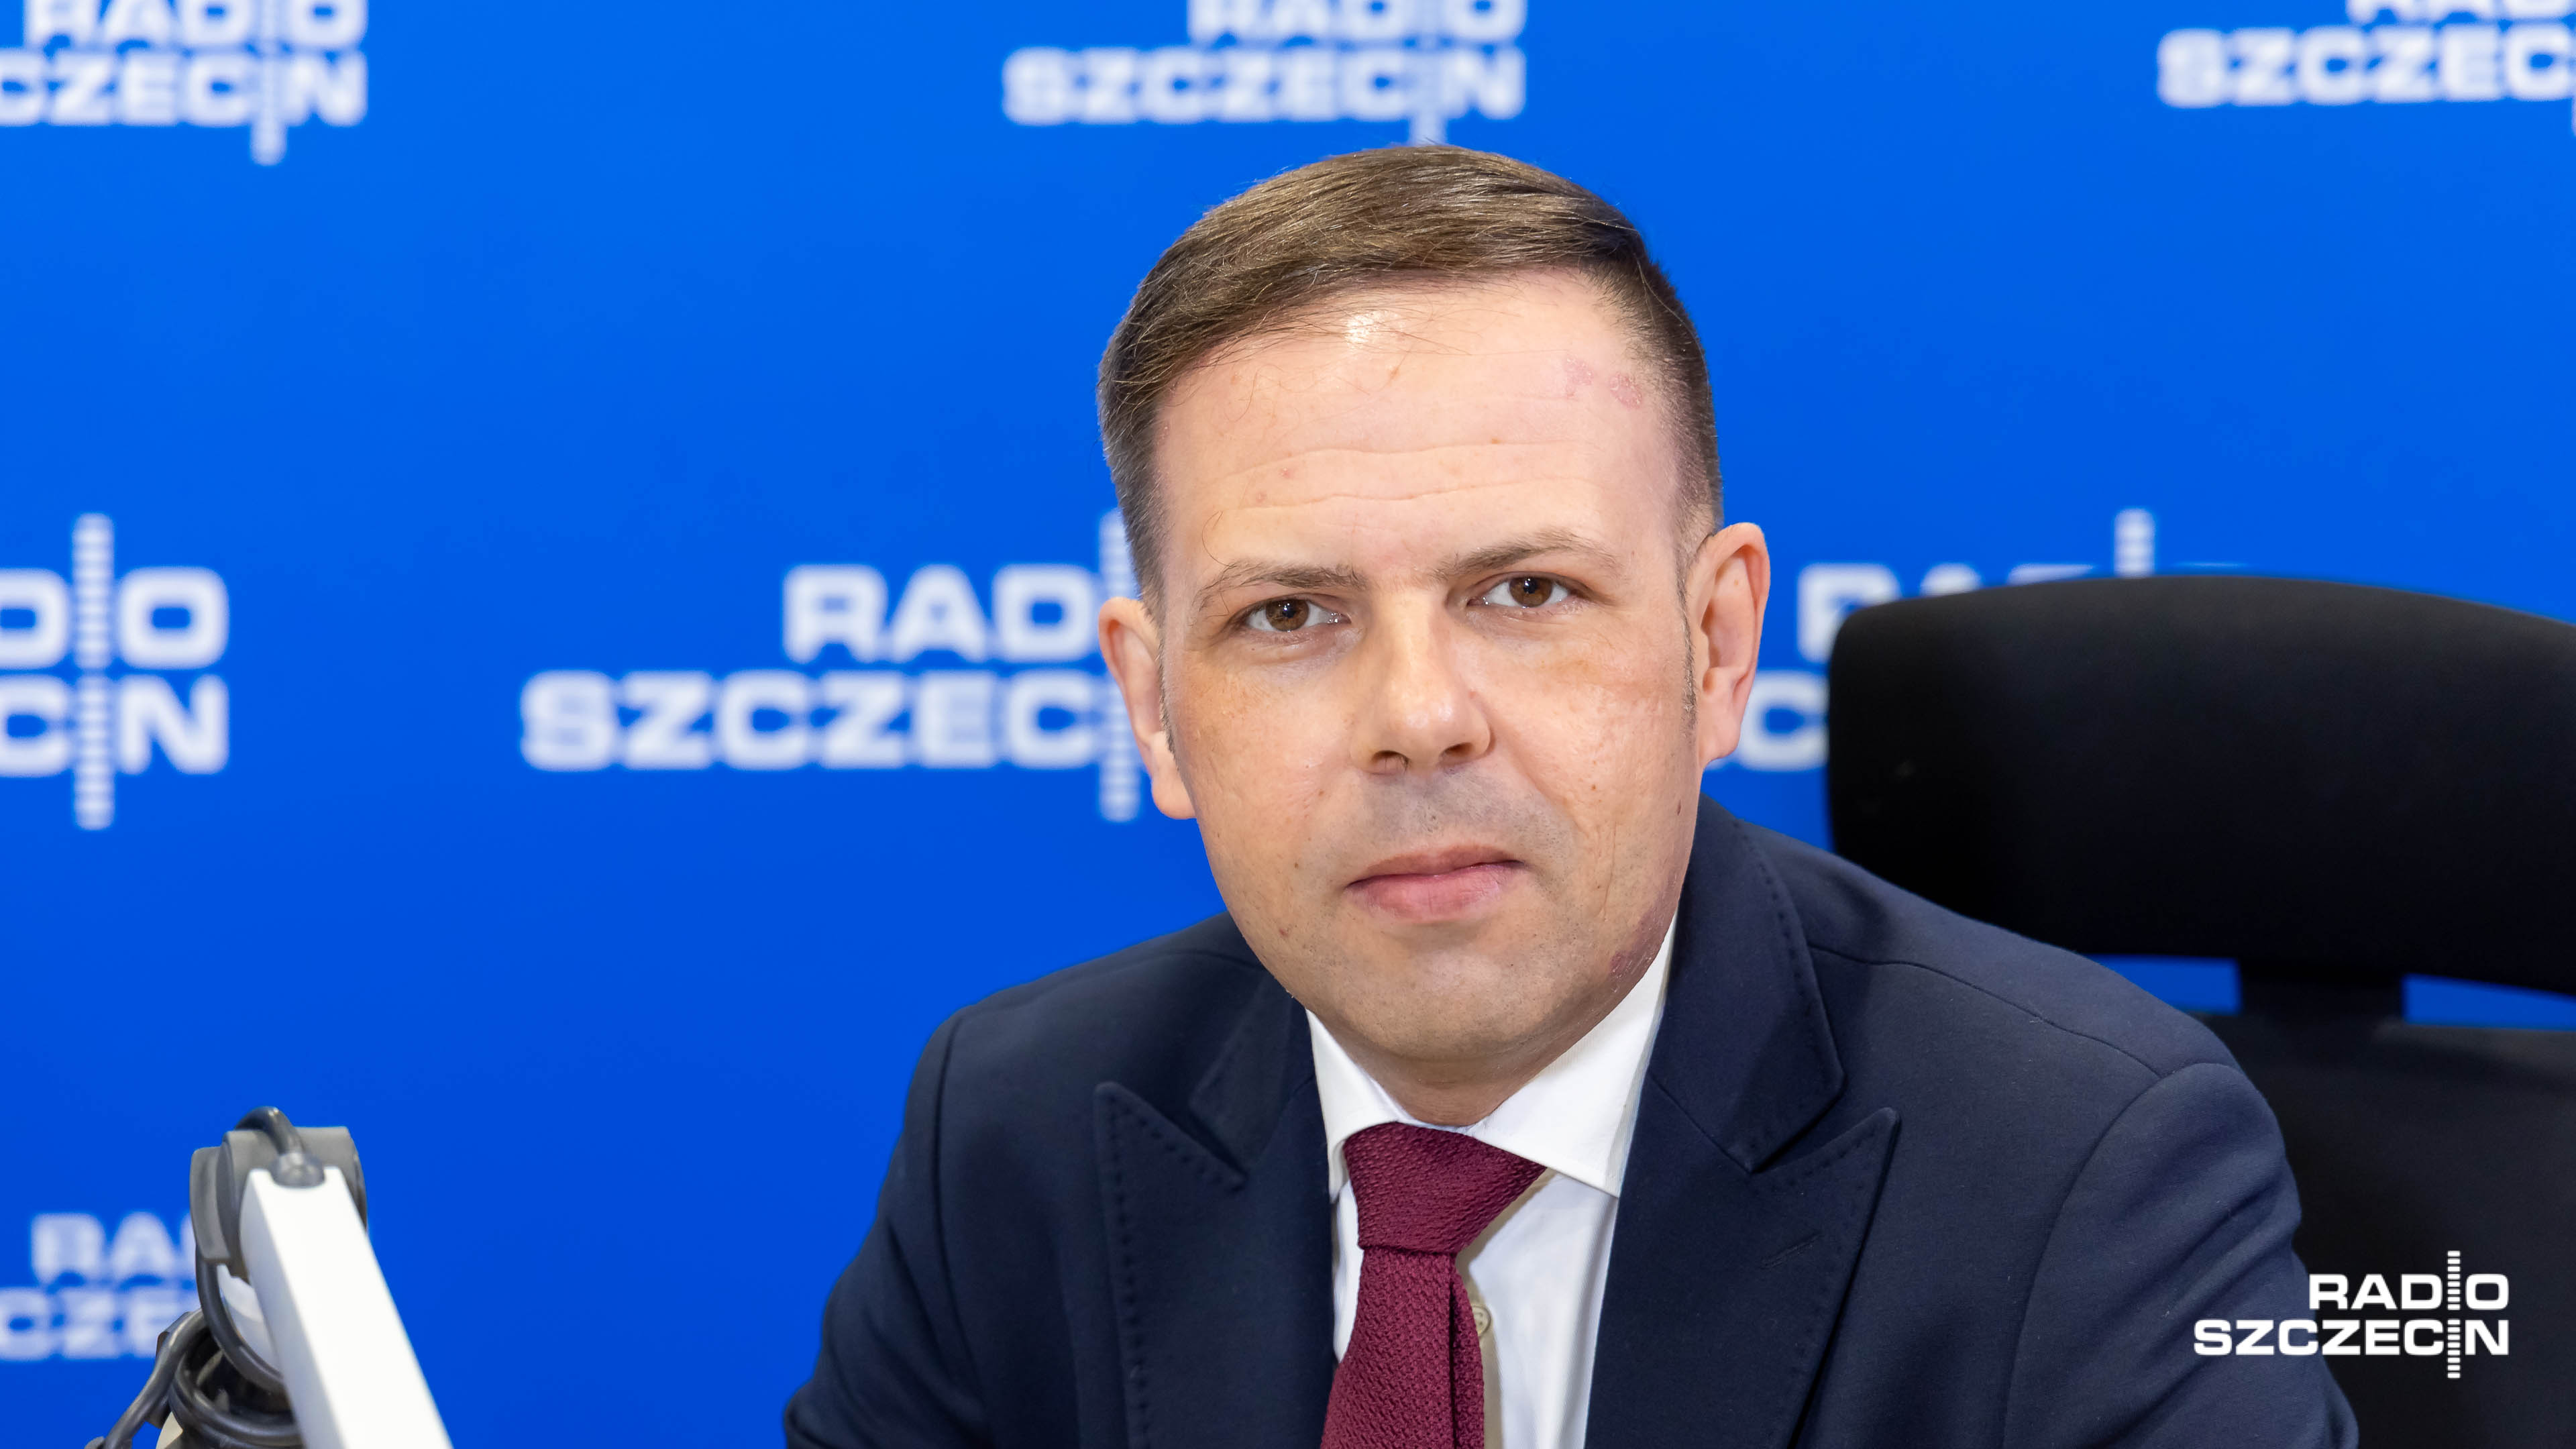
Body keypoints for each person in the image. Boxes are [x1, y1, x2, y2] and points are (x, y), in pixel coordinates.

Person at [785, 146, 2355, 1449]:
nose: (1419, 720)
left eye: (1526, 592)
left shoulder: (2079, 1165)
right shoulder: (1015, 1128)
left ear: (1716, 646)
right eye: (1289, 615)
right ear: (1153, 708)